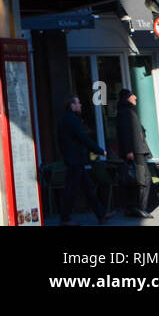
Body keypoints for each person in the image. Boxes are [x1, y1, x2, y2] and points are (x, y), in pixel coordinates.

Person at [57, 95, 111, 225]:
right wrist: (100, 150)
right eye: (78, 103)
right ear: (72, 106)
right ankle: (65, 219)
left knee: (88, 188)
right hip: (75, 161)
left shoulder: (64, 120)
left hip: (74, 160)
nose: (80, 105)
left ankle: (101, 215)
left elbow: (61, 141)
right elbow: (84, 138)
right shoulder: (73, 120)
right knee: (71, 190)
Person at [116, 88, 153, 218]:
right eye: (132, 95)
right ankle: (140, 207)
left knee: (135, 179)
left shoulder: (126, 111)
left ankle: (131, 207)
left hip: (136, 150)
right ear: (127, 98)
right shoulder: (126, 112)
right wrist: (129, 151)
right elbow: (126, 133)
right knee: (144, 178)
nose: (136, 97)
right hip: (135, 151)